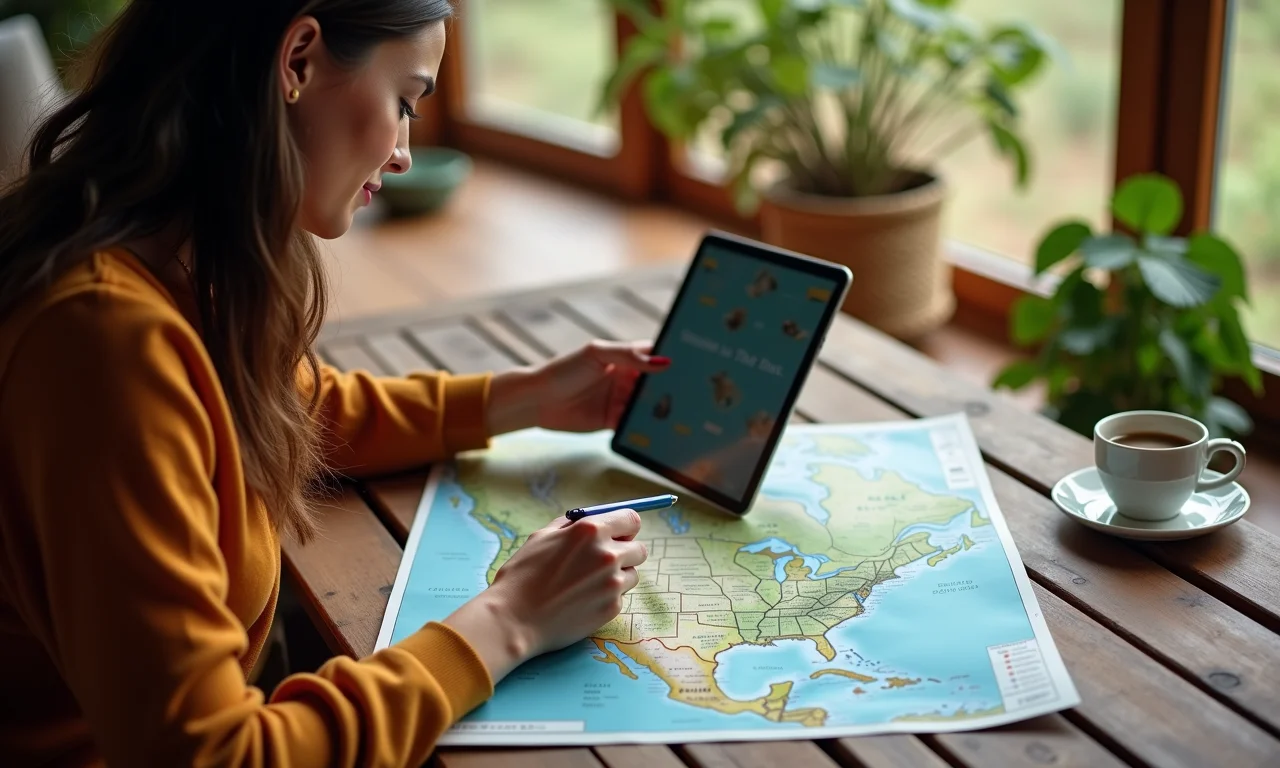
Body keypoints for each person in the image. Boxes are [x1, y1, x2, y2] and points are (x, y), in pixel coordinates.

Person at [0, 2, 668, 765]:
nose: (405, 152)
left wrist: (527, 398)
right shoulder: (101, 344)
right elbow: (213, 755)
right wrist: (510, 619)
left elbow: (289, 408)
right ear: (298, 61)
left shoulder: (169, 256)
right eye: (405, 100)